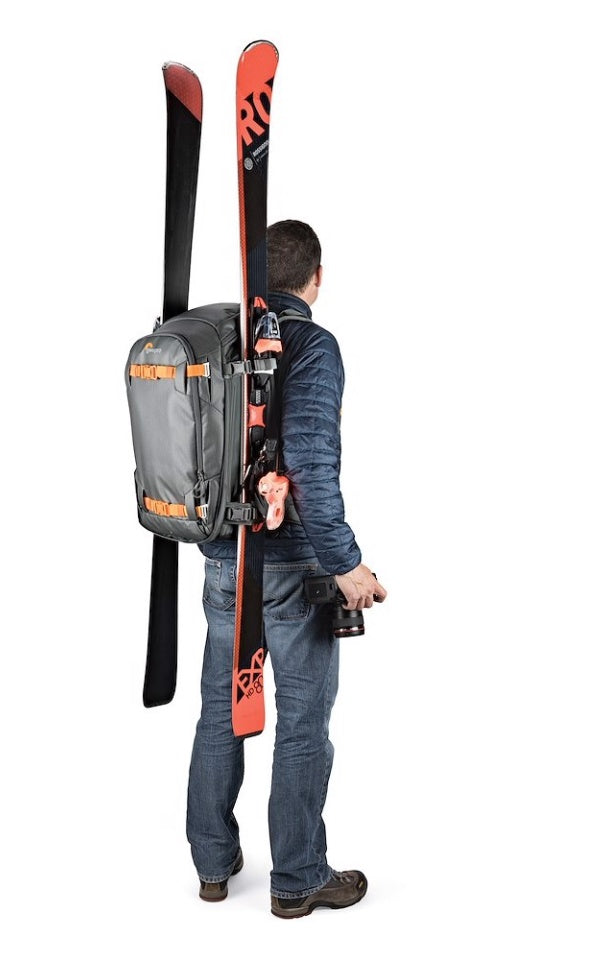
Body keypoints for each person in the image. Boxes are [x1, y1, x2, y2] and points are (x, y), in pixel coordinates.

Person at [186, 219, 387, 919]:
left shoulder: (223, 338)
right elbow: (309, 462)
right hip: (295, 567)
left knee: (220, 713)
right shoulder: (311, 344)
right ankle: (298, 880)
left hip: (223, 559)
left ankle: (213, 866)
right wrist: (346, 564)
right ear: (316, 278)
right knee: (302, 723)